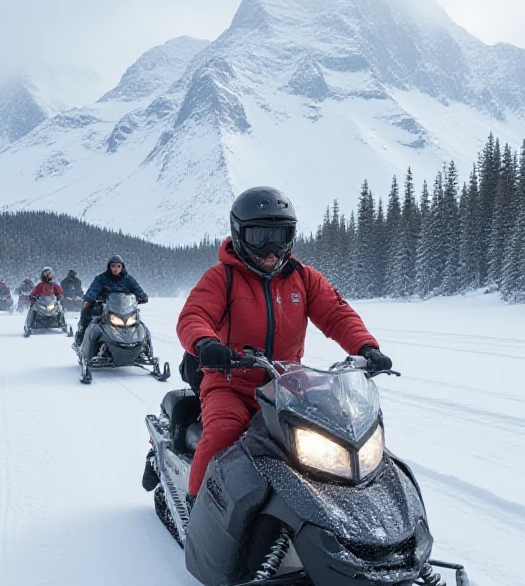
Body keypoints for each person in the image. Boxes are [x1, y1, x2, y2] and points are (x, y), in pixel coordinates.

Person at [176, 186, 392, 497]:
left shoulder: (302, 278)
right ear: (239, 235)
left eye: (279, 236)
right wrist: (206, 344)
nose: (270, 250)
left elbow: (335, 313)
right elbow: (193, 315)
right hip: (231, 383)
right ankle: (198, 511)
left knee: (335, 435)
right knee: (223, 435)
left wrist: (366, 347)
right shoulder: (222, 277)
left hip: (288, 385)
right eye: (259, 237)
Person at [73, 254, 149, 348]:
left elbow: (138, 290)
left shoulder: (129, 280)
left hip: (125, 311)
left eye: (118, 266)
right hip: (104, 309)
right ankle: (81, 340)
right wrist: (91, 298)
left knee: (141, 326)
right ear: (109, 267)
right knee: (88, 318)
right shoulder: (101, 279)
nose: (116, 269)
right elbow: (93, 290)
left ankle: (146, 349)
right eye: (113, 266)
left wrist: (143, 297)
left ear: (122, 267)